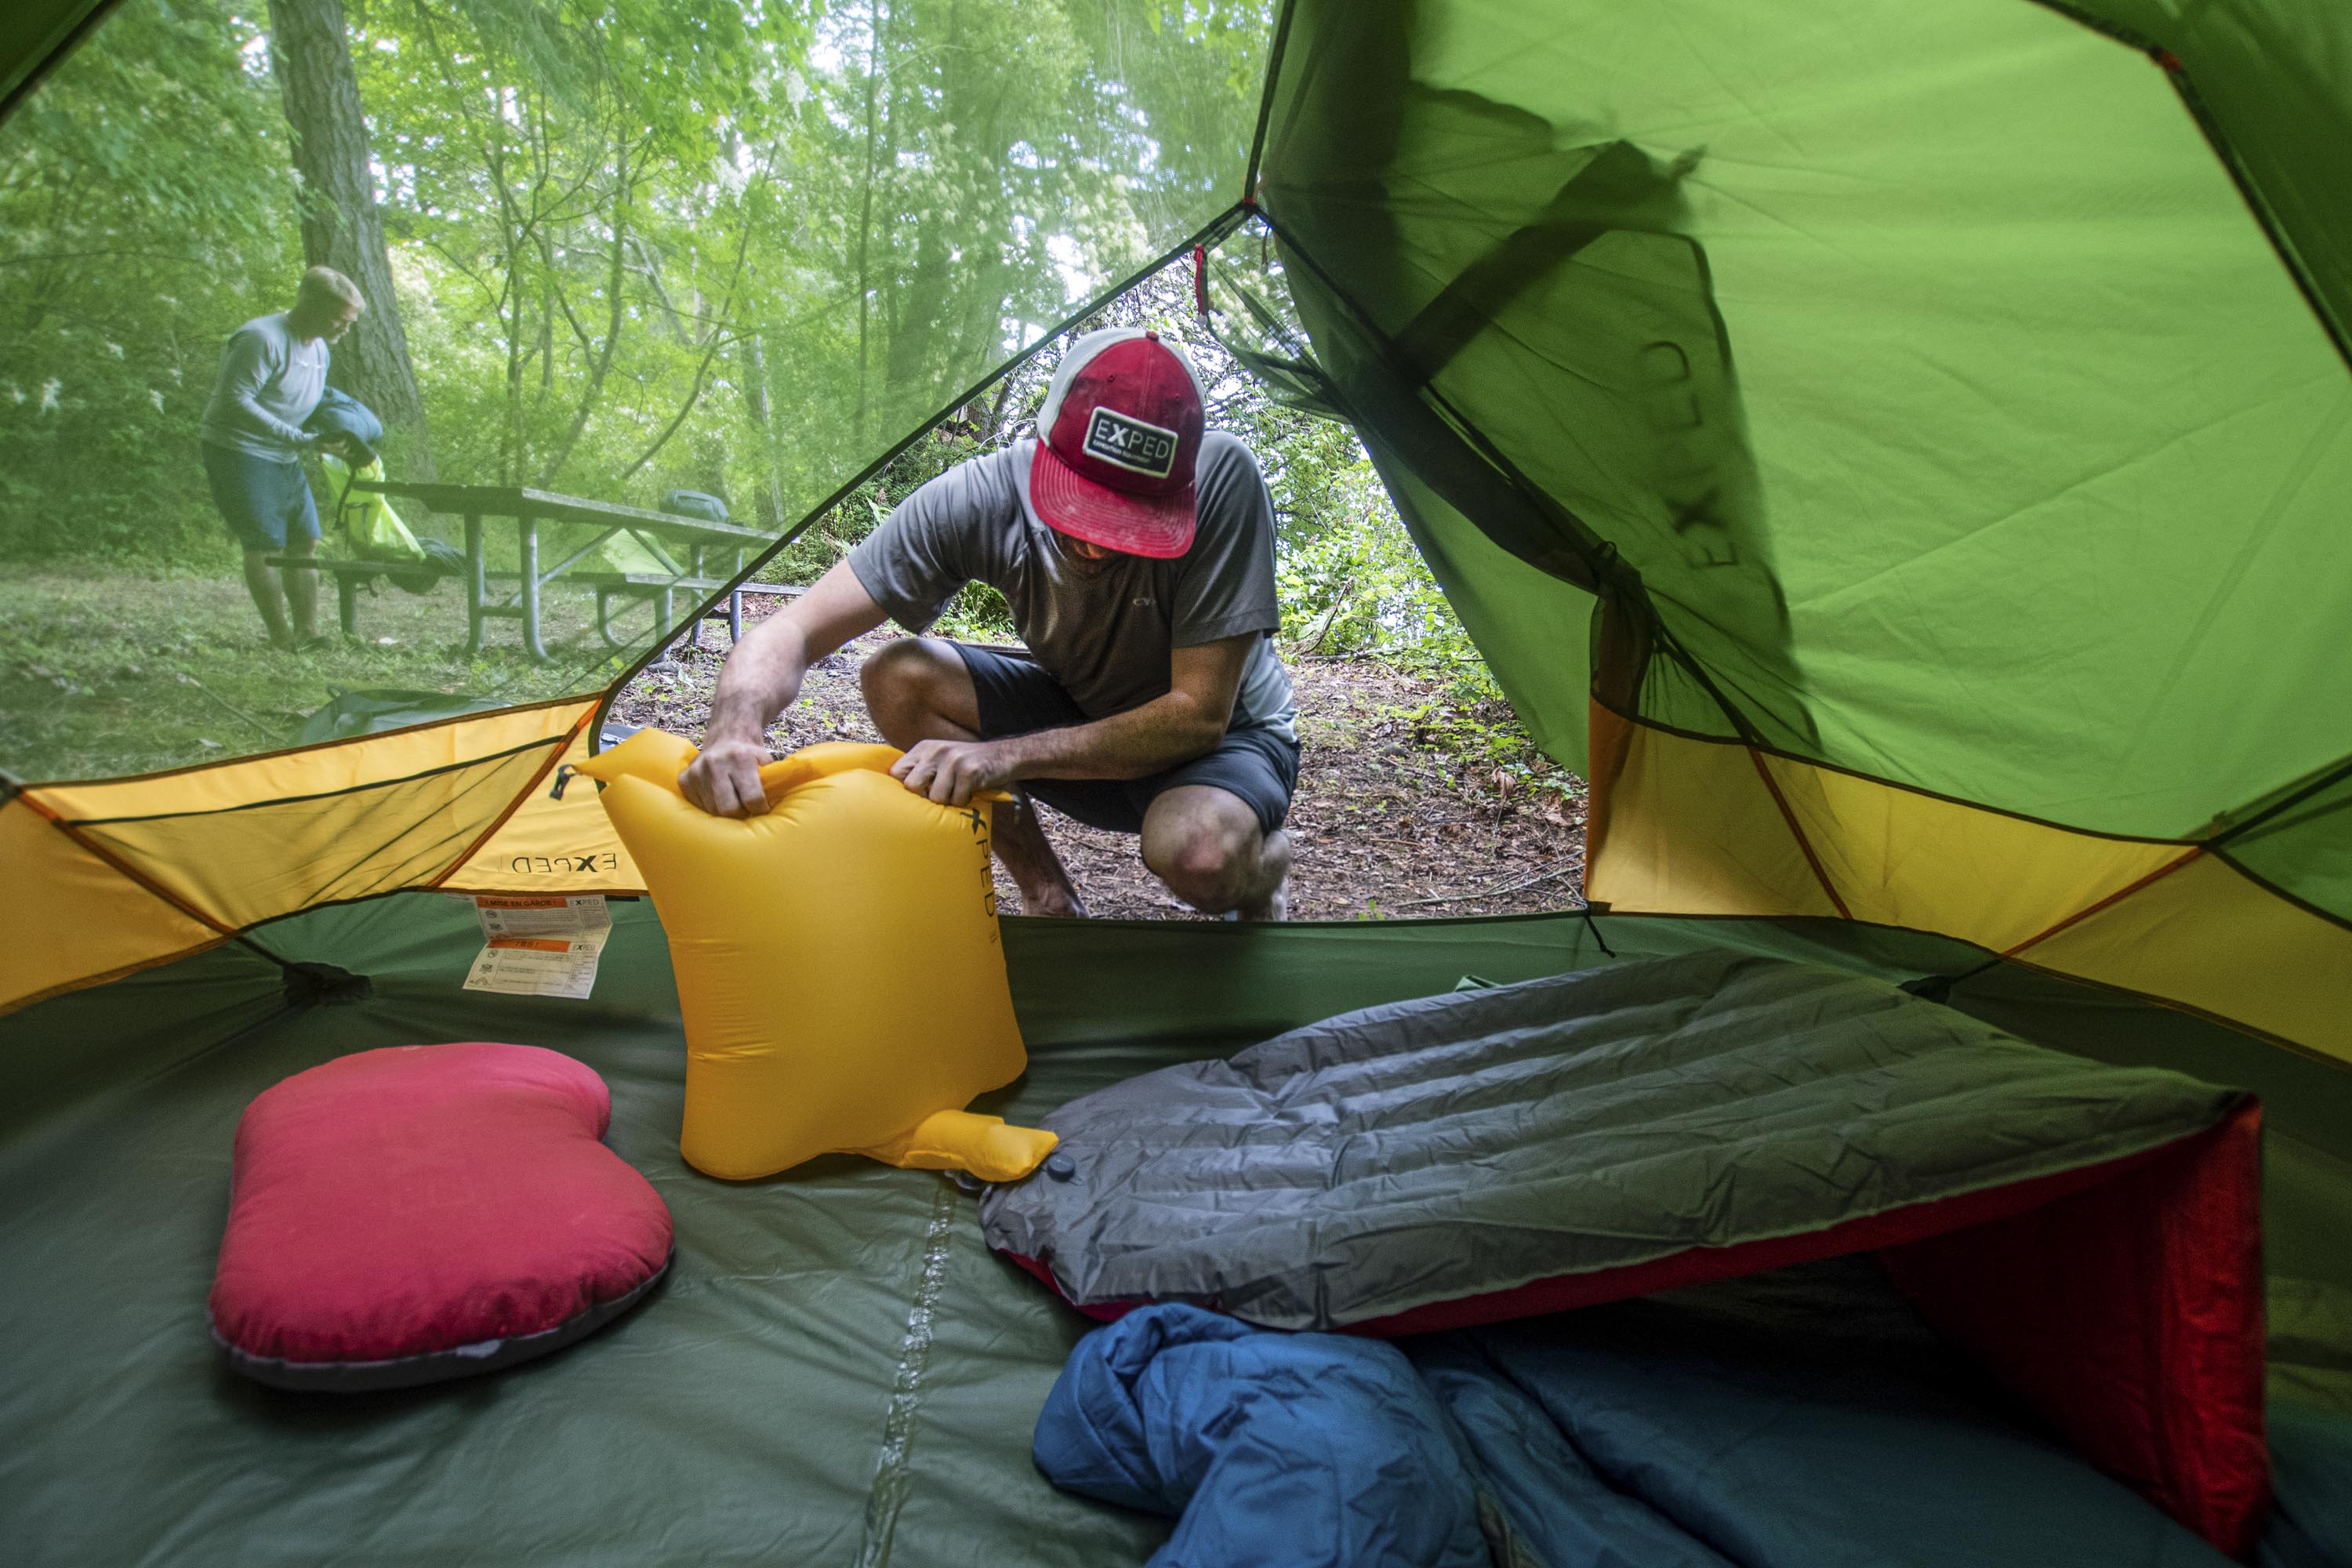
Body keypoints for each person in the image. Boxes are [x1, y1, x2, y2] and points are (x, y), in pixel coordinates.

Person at [683, 326, 1299, 920]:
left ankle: (1263, 874)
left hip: (1224, 741)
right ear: (1045, 455)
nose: (1097, 547)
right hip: (1083, 707)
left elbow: (1196, 715)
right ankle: (1049, 894)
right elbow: (793, 629)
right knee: (898, 676)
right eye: (1080, 510)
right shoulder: (981, 495)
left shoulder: (1224, 482)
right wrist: (734, 726)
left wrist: (1006, 756)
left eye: (1131, 521)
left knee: (1199, 856)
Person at [198, 266, 366, 650]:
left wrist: (341, 432)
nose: (345, 329)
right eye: (339, 319)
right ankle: (280, 637)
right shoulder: (260, 338)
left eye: (349, 321)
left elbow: (307, 401)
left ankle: (307, 632)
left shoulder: (320, 348)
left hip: (285, 453)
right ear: (310, 305)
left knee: (305, 540)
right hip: (238, 449)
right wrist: (302, 439)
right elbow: (234, 400)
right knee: (264, 544)